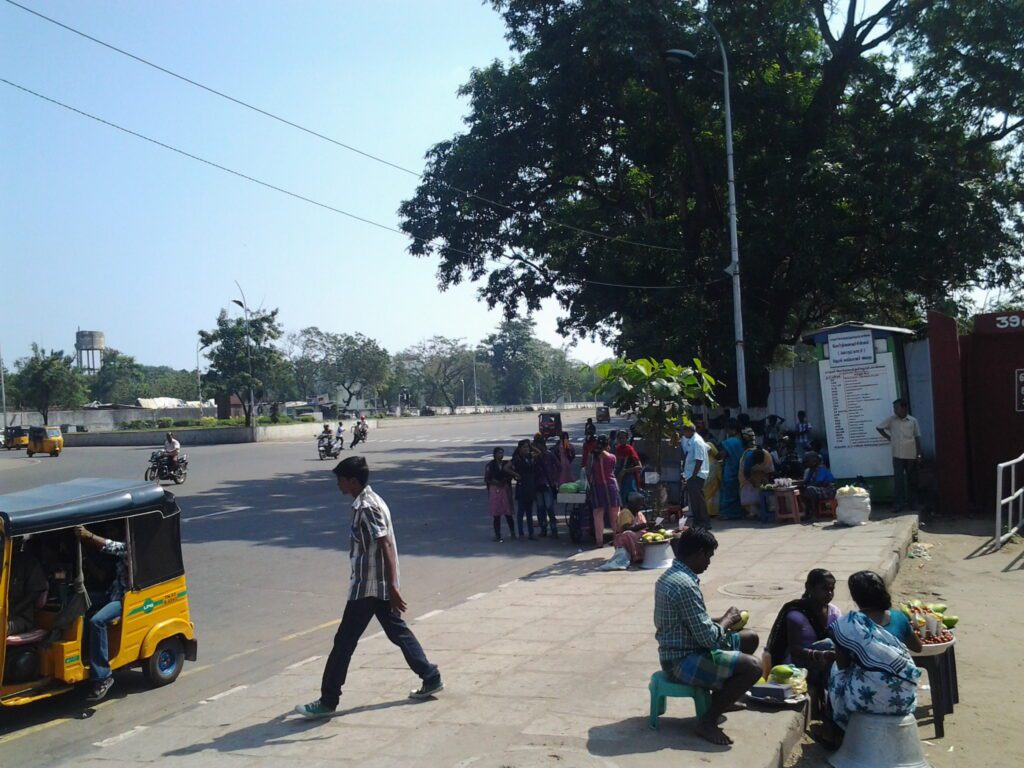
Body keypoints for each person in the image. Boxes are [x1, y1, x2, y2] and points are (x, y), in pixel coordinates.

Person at [297, 456, 442, 718]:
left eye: (340, 480)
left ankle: (328, 700)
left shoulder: (367, 507)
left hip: (369, 586)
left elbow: (384, 543)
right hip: (377, 584)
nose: (338, 485)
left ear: (353, 481)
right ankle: (430, 675)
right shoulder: (370, 501)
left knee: (344, 642)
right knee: (397, 632)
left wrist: (393, 587)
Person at [655, 528, 761, 746]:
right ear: (699, 553)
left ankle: (723, 697)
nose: (709, 563)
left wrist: (720, 620)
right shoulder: (684, 585)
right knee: (753, 667)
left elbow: (693, 620)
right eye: (709, 557)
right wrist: (727, 620)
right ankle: (707, 720)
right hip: (681, 661)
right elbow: (709, 640)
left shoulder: (673, 576)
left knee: (750, 638)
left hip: (688, 644)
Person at [828, 571, 922, 731]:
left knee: (835, 671)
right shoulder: (899, 617)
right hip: (903, 699)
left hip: (863, 701)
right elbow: (918, 648)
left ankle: (837, 731)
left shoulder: (847, 625)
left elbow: (843, 666)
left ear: (855, 596)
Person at [764, 569, 841, 721]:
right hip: (798, 665)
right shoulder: (796, 615)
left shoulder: (834, 612)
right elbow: (795, 650)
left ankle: (833, 716)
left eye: (832, 589)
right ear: (809, 588)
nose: (829, 593)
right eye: (824, 589)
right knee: (828, 645)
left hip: (824, 663)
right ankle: (831, 718)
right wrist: (821, 654)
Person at [77, 525, 129, 701]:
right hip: (111, 593)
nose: (110, 532)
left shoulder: (132, 546)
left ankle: (103, 675)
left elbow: (111, 546)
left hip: (123, 600)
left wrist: (88, 535)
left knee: (97, 621)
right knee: (79, 601)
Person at [876, 399, 922, 511]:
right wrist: (888, 437)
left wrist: (919, 454)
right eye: (894, 408)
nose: (895, 410)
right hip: (897, 455)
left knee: (912, 480)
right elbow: (879, 428)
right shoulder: (892, 420)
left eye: (897, 408)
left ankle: (913, 503)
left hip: (911, 454)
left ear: (904, 408)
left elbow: (917, 437)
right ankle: (898, 504)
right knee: (899, 480)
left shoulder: (913, 421)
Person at [6, 538, 48, 635]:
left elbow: (34, 593)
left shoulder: (29, 563)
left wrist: (12, 611)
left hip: (19, 617)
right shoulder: (4, 559)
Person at [589, 435, 620, 547]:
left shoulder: (593, 458)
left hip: (598, 488)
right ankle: (617, 539)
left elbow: (589, 472)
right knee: (615, 515)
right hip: (611, 487)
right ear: (607, 445)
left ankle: (599, 541)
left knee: (598, 514)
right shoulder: (612, 457)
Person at [681, 423, 710, 527]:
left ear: (689, 431)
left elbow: (699, 460)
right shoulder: (690, 440)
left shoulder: (697, 441)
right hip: (691, 474)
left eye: (684, 432)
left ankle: (704, 522)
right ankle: (698, 521)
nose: (683, 434)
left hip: (696, 474)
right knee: (694, 499)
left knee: (698, 499)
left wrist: (694, 475)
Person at [485, 448, 516, 542]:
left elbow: (511, 475)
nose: (501, 455)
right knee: (496, 514)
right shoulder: (490, 465)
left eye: (502, 453)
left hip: (505, 488)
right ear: (494, 454)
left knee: (508, 513)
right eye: (499, 453)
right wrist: (494, 482)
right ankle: (498, 534)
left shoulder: (506, 464)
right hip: (495, 489)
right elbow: (487, 478)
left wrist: (506, 480)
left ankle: (513, 532)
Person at [534, 435, 560, 538]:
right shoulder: (535, 456)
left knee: (549, 508)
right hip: (538, 484)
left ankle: (553, 529)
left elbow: (559, 467)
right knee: (540, 508)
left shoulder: (549, 455)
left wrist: (554, 479)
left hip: (547, 484)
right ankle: (543, 528)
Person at [512, 439, 539, 540]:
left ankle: (531, 533)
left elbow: (539, 452)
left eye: (527, 447)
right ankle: (521, 533)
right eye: (524, 447)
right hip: (522, 485)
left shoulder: (529, 457)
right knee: (521, 511)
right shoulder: (517, 459)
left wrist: (531, 446)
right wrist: (516, 475)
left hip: (530, 485)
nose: (526, 449)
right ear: (519, 448)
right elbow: (507, 467)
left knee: (529, 512)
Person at [718, 420, 744, 520]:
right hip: (738, 469)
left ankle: (726, 513)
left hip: (730, 469)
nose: (727, 432)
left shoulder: (729, 442)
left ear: (733, 430)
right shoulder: (739, 441)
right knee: (735, 493)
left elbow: (723, 454)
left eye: (728, 430)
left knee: (727, 492)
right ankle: (737, 512)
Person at [798, 451, 836, 519]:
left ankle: (815, 513)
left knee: (810, 490)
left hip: (829, 489)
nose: (806, 464)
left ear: (814, 462)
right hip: (819, 489)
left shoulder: (821, 468)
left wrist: (807, 486)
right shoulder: (811, 470)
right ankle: (808, 512)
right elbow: (806, 481)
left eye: (807, 462)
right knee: (802, 489)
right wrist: (800, 485)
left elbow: (819, 482)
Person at [739, 447, 774, 520]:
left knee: (766, 490)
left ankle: (769, 507)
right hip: (748, 474)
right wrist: (754, 483)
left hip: (762, 473)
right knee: (749, 490)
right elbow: (746, 474)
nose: (759, 464)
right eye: (758, 462)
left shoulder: (767, 456)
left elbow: (770, 470)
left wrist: (765, 479)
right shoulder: (748, 459)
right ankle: (752, 511)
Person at [613, 493, 648, 565]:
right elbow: (626, 528)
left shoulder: (639, 513)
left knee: (646, 534)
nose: (640, 507)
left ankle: (644, 555)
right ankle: (635, 556)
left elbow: (644, 527)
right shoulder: (625, 512)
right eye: (638, 504)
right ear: (631, 504)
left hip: (636, 535)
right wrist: (644, 525)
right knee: (628, 534)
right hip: (622, 539)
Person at [614, 431, 642, 504]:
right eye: (620, 438)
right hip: (619, 478)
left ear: (627, 439)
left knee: (629, 500)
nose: (621, 440)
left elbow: (639, 466)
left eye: (623, 438)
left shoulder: (630, 449)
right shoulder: (617, 449)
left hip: (629, 479)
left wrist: (625, 471)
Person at [703, 441, 722, 519]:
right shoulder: (715, 462)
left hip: (704, 482)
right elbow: (719, 475)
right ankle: (712, 512)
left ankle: (705, 512)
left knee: (705, 496)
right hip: (713, 482)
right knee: (713, 496)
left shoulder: (702, 461)